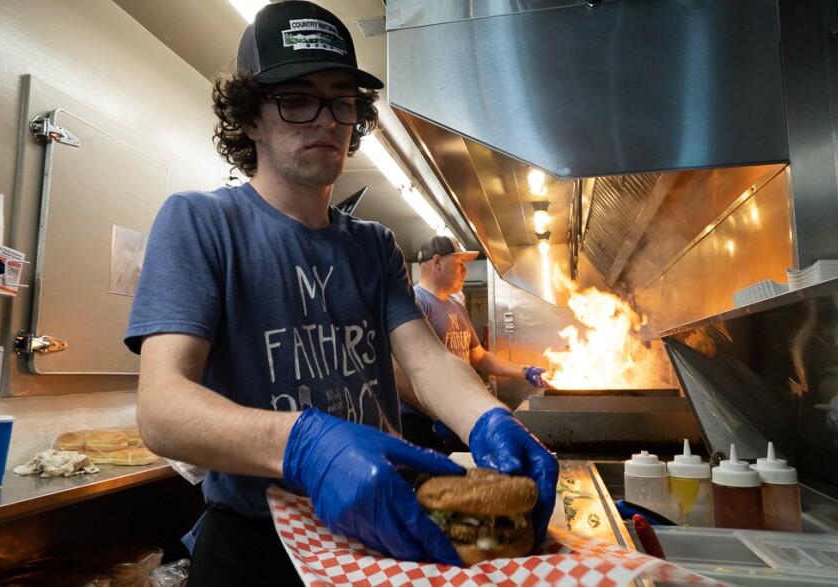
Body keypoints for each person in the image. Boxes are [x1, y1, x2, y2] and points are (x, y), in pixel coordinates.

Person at [123, 2, 558, 585]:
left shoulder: (373, 247)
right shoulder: (200, 223)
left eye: (342, 100)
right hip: (256, 546)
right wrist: (301, 444)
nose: (326, 120)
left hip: (381, 535)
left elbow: (427, 363)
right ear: (251, 118)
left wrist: (488, 418)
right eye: (297, 99)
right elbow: (161, 408)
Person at [399, 235, 552, 452]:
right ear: (437, 262)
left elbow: (478, 357)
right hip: (423, 423)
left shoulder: (456, 306)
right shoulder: (416, 302)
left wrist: (527, 371)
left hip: (454, 415)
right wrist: (437, 413)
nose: (465, 271)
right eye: (460, 263)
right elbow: (400, 371)